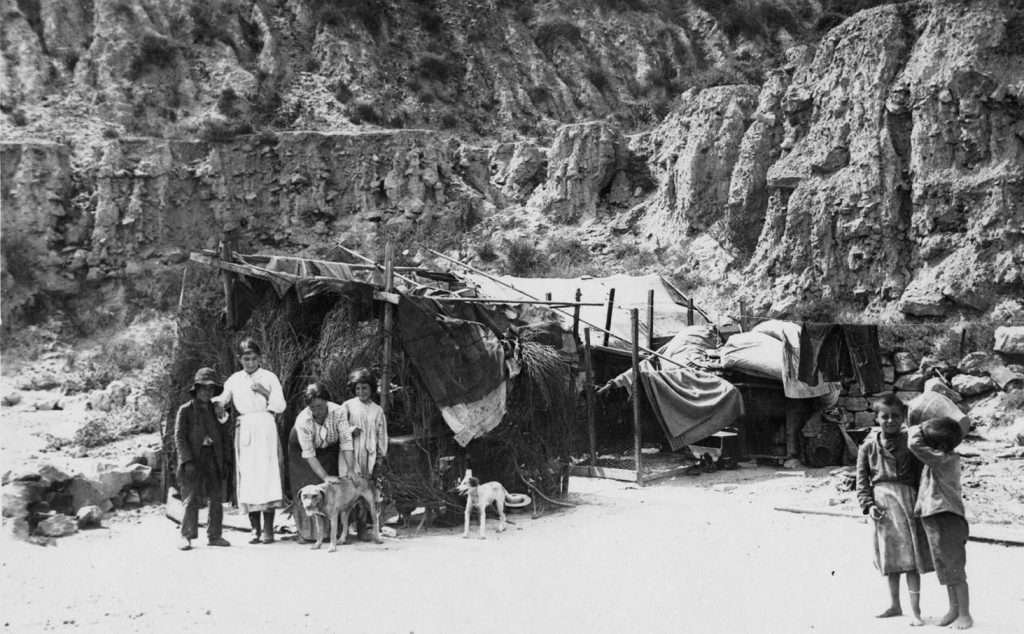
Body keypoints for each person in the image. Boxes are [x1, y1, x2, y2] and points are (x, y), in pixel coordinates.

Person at [855, 394, 931, 624]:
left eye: (895, 416)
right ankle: (894, 604)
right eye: (884, 416)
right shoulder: (867, 447)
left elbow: (922, 477)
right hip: (882, 506)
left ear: (903, 418)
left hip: (907, 503)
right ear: (876, 418)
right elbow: (862, 481)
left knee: (911, 558)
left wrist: (921, 503)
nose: (890, 421)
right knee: (890, 557)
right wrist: (868, 506)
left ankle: (916, 611)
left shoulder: (912, 443)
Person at [214, 338, 286, 544]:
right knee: (249, 476)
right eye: (246, 359)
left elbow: (281, 406)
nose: (251, 363)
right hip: (245, 428)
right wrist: (219, 405)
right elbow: (223, 399)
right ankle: (255, 529)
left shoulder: (269, 377)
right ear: (240, 359)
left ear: (260, 358)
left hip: (265, 426)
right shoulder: (234, 380)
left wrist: (264, 391)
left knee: (268, 474)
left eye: (254, 358)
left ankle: (268, 530)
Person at [908, 417, 973, 629]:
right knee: (945, 568)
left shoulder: (943, 459)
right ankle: (953, 609)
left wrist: (916, 424)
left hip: (948, 518)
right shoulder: (938, 458)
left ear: (939, 446)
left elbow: (913, 443)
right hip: (936, 517)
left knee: (955, 569)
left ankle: (965, 613)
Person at [287, 382, 355, 542]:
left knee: (329, 488)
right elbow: (309, 454)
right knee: (308, 485)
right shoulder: (303, 420)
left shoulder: (338, 411)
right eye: (313, 407)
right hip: (302, 452)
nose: (317, 411)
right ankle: (307, 534)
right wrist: (324, 476)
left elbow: (346, 442)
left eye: (320, 406)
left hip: (328, 446)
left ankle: (329, 533)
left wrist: (351, 469)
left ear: (327, 402)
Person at [174, 367, 231, 551]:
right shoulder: (185, 410)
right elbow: (179, 437)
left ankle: (215, 535)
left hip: (213, 456)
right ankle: (186, 535)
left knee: (216, 496)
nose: (207, 392)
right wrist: (187, 461)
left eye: (210, 389)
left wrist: (226, 460)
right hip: (194, 457)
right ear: (196, 389)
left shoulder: (217, 410)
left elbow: (224, 436)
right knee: (190, 498)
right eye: (203, 388)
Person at [340, 368, 388, 541]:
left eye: (365, 388)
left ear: (372, 389)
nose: (361, 392)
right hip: (351, 455)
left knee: (366, 491)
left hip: (369, 455)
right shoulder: (347, 406)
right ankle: (344, 529)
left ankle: (362, 528)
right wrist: (350, 430)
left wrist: (381, 455)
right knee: (348, 490)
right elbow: (339, 428)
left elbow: (381, 433)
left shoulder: (377, 410)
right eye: (358, 388)